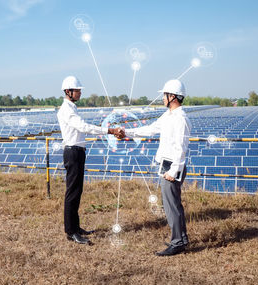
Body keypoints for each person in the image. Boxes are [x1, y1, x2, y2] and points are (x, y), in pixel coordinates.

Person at [124, 79, 192, 256]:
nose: (162, 98)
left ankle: (177, 243)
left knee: (171, 206)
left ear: (173, 97)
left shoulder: (181, 119)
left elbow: (181, 147)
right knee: (173, 203)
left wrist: (173, 170)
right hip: (167, 164)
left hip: (173, 166)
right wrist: (127, 133)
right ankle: (181, 239)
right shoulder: (168, 116)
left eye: (165, 95)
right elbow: (150, 129)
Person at [57, 75, 124, 245]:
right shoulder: (66, 110)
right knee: (72, 192)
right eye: (77, 90)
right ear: (68, 91)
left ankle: (75, 227)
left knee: (77, 191)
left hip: (78, 151)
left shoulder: (71, 108)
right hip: (73, 152)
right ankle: (71, 231)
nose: (80, 93)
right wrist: (110, 131)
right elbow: (84, 127)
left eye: (79, 90)